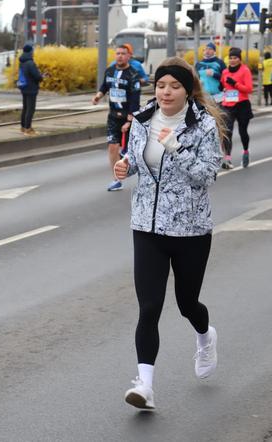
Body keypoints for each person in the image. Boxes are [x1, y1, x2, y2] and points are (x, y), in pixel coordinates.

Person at [113, 57, 225, 410]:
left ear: (187, 90)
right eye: (161, 85)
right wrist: (125, 166)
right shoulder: (144, 119)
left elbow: (208, 174)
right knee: (149, 307)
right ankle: (144, 385)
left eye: (174, 86)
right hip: (146, 226)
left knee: (187, 303)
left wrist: (178, 148)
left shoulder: (203, 126)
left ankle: (205, 337)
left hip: (190, 229)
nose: (165, 92)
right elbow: (137, 158)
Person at [92, 45, 141, 191]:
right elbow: (104, 87)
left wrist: (129, 120)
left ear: (128, 56)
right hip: (113, 116)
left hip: (128, 117)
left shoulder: (133, 74)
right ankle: (117, 179)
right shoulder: (110, 70)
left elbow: (135, 99)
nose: (120, 56)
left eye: (123, 54)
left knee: (131, 151)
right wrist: (98, 97)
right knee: (112, 147)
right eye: (117, 53)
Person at [220, 47, 253, 169]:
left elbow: (249, 89)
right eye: (231, 58)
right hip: (228, 105)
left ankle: (246, 152)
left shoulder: (245, 71)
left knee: (242, 131)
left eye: (235, 58)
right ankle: (227, 159)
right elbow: (223, 85)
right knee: (227, 132)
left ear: (240, 59)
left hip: (242, 105)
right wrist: (221, 87)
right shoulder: (225, 72)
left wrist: (235, 84)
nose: (232, 60)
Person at [17, 44, 43, 135]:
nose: (33, 52)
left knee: (25, 107)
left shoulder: (22, 62)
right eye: (33, 51)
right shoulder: (30, 63)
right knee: (30, 109)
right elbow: (36, 76)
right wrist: (41, 77)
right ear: (30, 51)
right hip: (31, 88)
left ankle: (23, 127)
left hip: (24, 87)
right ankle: (28, 129)